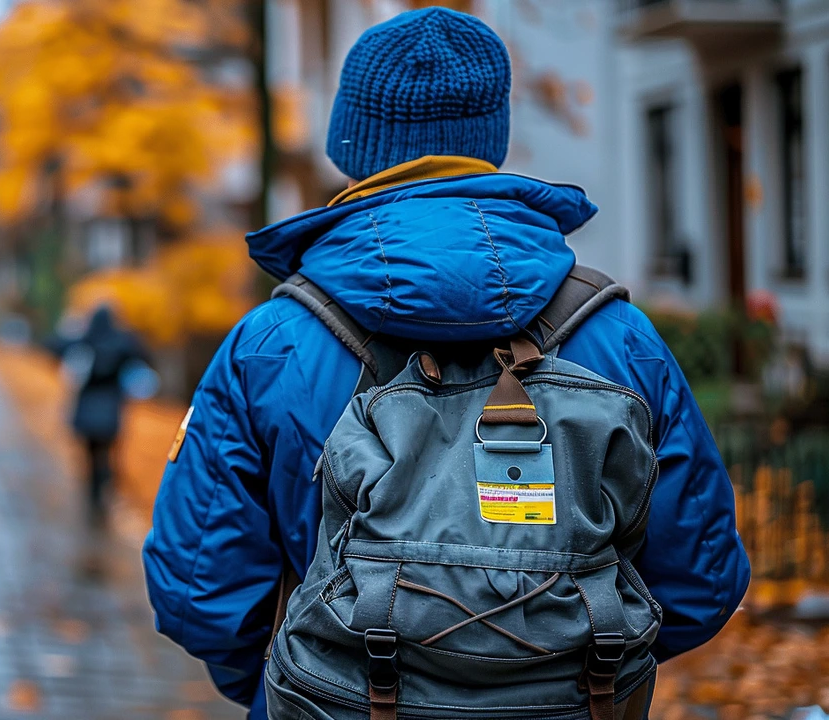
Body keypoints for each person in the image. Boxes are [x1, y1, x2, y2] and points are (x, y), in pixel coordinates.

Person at [142, 7, 748, 719]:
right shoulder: (618, 338)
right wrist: (560, 680)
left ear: (351, 143)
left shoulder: (271, 344)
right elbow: (701, 581)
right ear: (491, 138)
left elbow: (196, 592)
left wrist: (302, 684)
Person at [59, 305, 147, 527]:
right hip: (110, 408)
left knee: (91, 452)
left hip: (88, 408)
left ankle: (94, 492)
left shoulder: (85, 341)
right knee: (107, 452)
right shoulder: (123, 343)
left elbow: (68, 367)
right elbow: (141, 363)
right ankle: (105, 486)